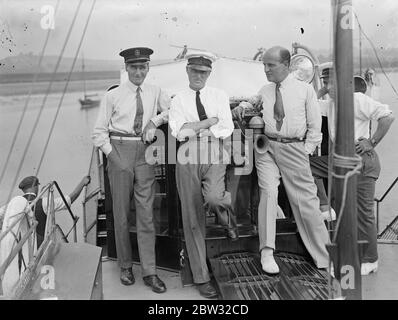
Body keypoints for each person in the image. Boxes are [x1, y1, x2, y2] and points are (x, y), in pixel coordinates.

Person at [232, 46, 330, 275]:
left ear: (286, 65)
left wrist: (305, 150)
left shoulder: (305, 90)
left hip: (294, 147)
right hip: (266, 147)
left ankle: (325, 258)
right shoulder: (265, 90)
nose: (266, 70)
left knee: (305, 201)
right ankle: (267, 252)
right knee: (268, 194)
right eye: (264, 65)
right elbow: (254, 103)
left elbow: (316, 127)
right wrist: (243, 107)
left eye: (271, 65)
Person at [92, 47, 169, 293]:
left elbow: (172, 111)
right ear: (126, 69)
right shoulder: (112, 96)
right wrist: (115, 158)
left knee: (146, 213)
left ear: (148, 68)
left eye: (143, 67)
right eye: (134, 67)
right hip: (120, 150)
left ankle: (150, 271)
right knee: (122, 213)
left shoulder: (155, 91)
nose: (138, 72)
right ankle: (125, 266)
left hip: (145, 152)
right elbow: (99, 133)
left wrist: (154, 121)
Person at [310, 68, 394, 276]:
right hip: (339, 161)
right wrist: (323, 89)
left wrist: (371, 141)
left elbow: (387, 116)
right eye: (326, 82)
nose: (329, 87)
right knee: (306, 166)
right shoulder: (331, 103)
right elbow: (311, 104)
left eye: (332, 83)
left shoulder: (357, 99)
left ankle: (370, 260)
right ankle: (324, 205)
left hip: (361, 161)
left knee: (363, 213)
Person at [169, 52, 236, 299]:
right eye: (195, 71)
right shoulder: (178, 100)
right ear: (187, 71)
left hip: (215, 152)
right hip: (186, 156)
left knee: (216, 198)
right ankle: (201, 277)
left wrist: (196, 126)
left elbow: (226, 127)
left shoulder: (220, 95)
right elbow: (179, 133)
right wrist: (209, 122)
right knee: (192, 218)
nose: (199, 76)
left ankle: (228, 221)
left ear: (209, 73)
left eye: (204, 72)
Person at [0, 175, 90, 295]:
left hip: (19, 254)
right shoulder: (44, 202)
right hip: (39, 250)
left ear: (23, 190)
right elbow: (69, 200)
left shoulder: (10, 206)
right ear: (36, 187)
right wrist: (82, 183)